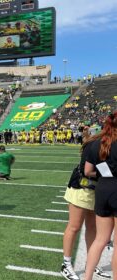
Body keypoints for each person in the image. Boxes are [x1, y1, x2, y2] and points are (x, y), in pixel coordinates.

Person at [60, 133, 111, 280]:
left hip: (95, 190)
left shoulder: (106, 143)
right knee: (74, 226)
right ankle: (66, 264)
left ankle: (91, 263)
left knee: (92, 228)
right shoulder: (95, 144)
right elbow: (87, 171)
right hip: (81, 188)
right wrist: (111, 172)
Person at [84, 112, 117, 280]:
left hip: (103, 189)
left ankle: (87, 277)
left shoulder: (97, 143)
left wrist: (106, 173)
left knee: (100, 240)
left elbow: (88, 171)